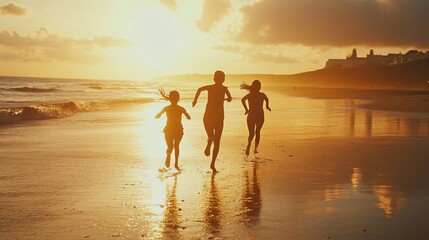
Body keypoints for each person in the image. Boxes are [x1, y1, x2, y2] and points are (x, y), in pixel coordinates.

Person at [192, 70, 232, 172]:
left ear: (214, 78)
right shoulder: (224, 89)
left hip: (208, 116)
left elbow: (199, 89)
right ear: (223, 79)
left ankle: (209, 142)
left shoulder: (210, 87)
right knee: (217, 141)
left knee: (212, 137)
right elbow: (230, 98)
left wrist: (195, 100)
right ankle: (213, 164)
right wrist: (226, 99)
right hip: (218, 117)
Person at [156, 90, 191, 170]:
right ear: (178, 99)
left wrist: (157, 116)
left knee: (170, 146)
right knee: (176, 146)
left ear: (170, 99)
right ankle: (176, 164)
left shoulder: (166, 108)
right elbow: (188, 117)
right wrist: (186, 115)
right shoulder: (181, 108)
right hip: (178, 129)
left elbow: (158, 115)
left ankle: (168, 154)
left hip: (168, 129)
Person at [240, 80, 271, 155]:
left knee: (251, 133)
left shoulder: (250, 95)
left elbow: (242, 100)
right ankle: (255, 148)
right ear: (259, 87)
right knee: (257, 132)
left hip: (251, 115)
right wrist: (267, 106)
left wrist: (246, 109)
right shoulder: (262, 95)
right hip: (260, 115)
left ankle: (249, 144)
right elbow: (267, 99)